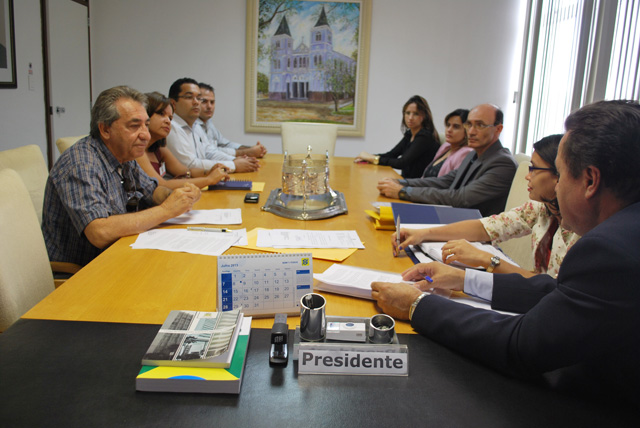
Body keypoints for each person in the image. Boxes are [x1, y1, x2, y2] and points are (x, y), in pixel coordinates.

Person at [371, 100, 640, 403]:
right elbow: (557, 292)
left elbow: (522, 346)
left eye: (562, 175)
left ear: (590, 180)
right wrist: (464, 279)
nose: (557, 187)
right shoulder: (624, 232)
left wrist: (416, 305)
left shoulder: (609, 250)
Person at [42, 86, 201, 266]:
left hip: (120, 253)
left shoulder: (125, 156)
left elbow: (152, 191)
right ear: (105, 129)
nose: (146, 135)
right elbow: (99, 232)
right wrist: (167, 210)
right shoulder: (81, 162)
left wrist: (176, 196)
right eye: (134, 126)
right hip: (85, 269)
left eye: (146, 125)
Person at [393, 134, 579, 277]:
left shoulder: (580, 231)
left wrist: (486, 259)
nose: (527, 176)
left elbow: (553, 290)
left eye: (534, 169)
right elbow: (485, 227)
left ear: (560, 174)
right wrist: (422, 234)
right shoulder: (540, 208)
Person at [377, 103, 517, 216]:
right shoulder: (474, 154)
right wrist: (401, 182)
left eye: (480, 125)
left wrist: (403, 191)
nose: (471, 131)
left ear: (498, 129)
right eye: (469, 125)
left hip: (472, 232)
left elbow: (460, 198)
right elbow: (444, 181)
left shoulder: (503, 163)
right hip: (455, 219)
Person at [134, 91, 229, 190]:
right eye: (161, 114)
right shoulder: (137, 150)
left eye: (170, 118)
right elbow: (161, 184)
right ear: (145, 115)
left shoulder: (159, 148)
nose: (168, 121)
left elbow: (186, 171)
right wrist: (209, 179)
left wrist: (209, 171)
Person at [165, 77, 259, 173]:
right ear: (173, 103)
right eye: (189, 97)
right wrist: (233, 165)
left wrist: (234, 160)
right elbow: (190, 165)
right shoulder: (171, 127)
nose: (196, 102)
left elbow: (209, 152)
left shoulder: (195, 125)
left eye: (198, 98)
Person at [355, 95, 440, 179]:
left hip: (418, 184)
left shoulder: (425, 137)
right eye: (408, 113)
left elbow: (401, 163)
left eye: (416, 114)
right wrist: (368, 158)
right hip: (407, 181)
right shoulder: (410, 134)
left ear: (424, 116)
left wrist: (373, 158)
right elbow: (391, 155)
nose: (410, 118)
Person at [197, 82, 267, 159]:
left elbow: (226, 144)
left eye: (212, 102)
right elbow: (209, 153)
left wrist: (253, 148)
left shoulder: (208, 122)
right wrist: (248, 152)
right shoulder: (193, 125)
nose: (209, 106)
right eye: (204, 102)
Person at [422, 109, 474, 178]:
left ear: (467, 131)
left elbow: (452, 182)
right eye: (448, 125)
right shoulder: (446, 146)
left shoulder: (466, 153)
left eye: (456, 127)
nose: (449, 130)